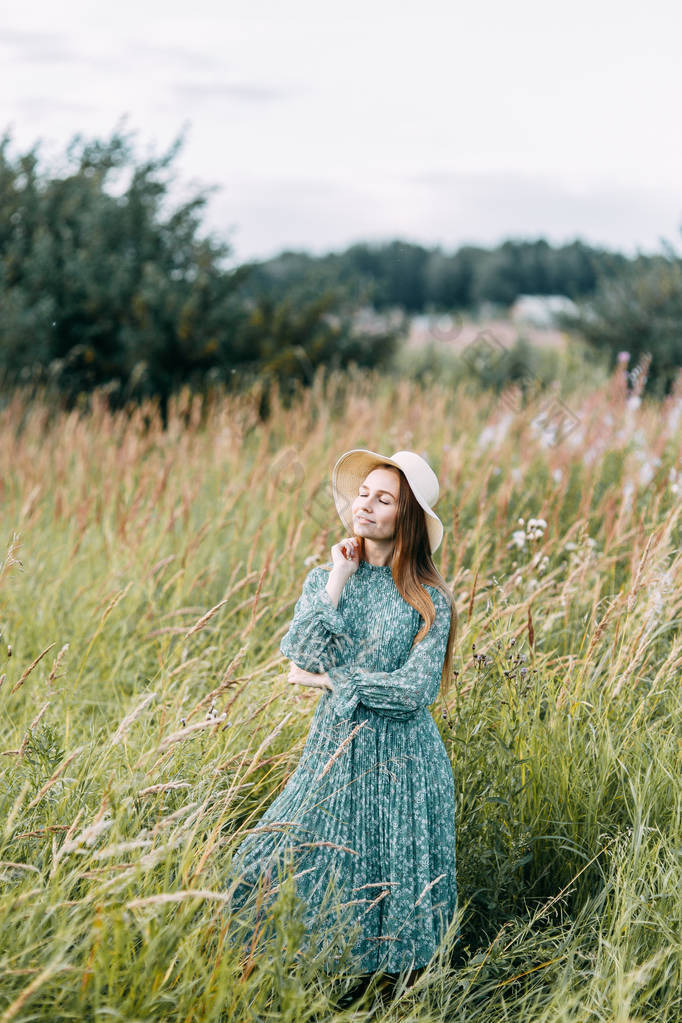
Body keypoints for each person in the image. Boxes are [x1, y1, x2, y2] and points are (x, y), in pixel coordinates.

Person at [227, 448, 459, 996]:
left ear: (407, 517)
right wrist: (338, 575)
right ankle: (298, 975)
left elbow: (415, 689)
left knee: (390, 873)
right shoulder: (325, 578)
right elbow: (300, 659)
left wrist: (339, 681)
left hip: (406, 757)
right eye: (364, 494)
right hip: (334, 747)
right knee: (265, 859)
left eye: (385, 499)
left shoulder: (429, 599)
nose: (367, 506)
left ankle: (384, 997)